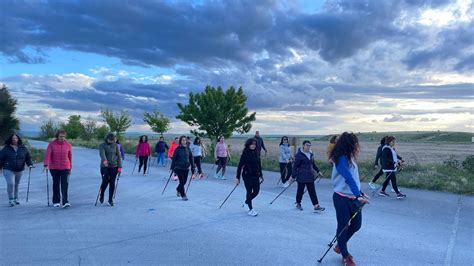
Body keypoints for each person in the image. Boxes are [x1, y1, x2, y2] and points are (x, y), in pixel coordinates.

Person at [329, 132, 370, 266]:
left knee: (356, 225)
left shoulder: (350, 158)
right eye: (354, 143)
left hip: (353, 197)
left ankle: (340, 245)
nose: (356, 146)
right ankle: (346, 256)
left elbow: (355, 180)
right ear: (349, 144)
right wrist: (359, 196)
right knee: (343, 227)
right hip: (341, 198)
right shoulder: (340, 158)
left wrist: (360, 193)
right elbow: (348, 178)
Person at [290, 140, 325, 212]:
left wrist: (318, 171)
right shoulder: (299, 155)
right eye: (307, 145)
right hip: (301, 176)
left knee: (312, 191)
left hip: (310, 176)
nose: (308, 147)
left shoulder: (311, 154)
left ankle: (316, 206)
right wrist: (293, 176)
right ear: (303, 146)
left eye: (309, 145)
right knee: (300, 191)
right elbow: (295, 166)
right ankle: (298, 203)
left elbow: (313, 164)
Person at [0, 133, 34, 206]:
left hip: (19, 169)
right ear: (10, 140)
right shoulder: (6, 148)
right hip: (8, 168)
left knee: (16, 184)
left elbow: (28, 157)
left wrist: (30, 164)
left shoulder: (23, 148)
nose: (14, 140)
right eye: (13, 138)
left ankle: (16, 198)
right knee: (10, 183)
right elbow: (1, 159)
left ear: (18, 139)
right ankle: (11, 199)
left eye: (16, 138)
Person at [44, 129, 72, 208]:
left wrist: (70, 168)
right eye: (60, 136)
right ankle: (56, 201)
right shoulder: (51, 144)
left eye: (63, 136)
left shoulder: (68, 145)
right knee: (56, 183)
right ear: (57, 136)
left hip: (65, 166)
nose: (62, 138)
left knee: (64, 184)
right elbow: (48, 155)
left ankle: (65, 201)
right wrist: (46, 164)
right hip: (54, 167)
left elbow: (70, 157)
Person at [236, 138, 263, 217]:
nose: (253, 145)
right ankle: (250, 209)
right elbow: (240, 165)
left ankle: (246, 202)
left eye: (255, 144)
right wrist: (238, 178)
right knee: (249, 191)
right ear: (248, 144)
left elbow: (259, 164)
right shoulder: (245, 153)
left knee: (256, 191)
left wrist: (261, 174)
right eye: (252, 144)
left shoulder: (257, 153)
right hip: (247, 175)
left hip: (255, 175)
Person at [99, 133, 122, 206]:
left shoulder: (115, 145)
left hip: (114, 167)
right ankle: (102, 194)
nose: (111, 141)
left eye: (113, 140)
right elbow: (102, 154)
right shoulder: (102, 145)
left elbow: (119, 156)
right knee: (105, 182)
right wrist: (104, 160)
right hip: (105, 167)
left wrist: (120, 167)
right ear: (107, 139)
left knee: (112, 182)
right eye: (110, 140)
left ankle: (110, 199)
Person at [170, 136, 195, 201]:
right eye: (182, 140)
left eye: (185, 140)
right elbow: (174, 159)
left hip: (186, 167)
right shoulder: (177, 149)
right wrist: (172, 168)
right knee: (181, 181)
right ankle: (183, 194)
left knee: (184, 182)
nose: (184, 141)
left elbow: (191, 158)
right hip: (179, 167)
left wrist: (193, 167)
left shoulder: (188, 148)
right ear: (180, 141)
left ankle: (178, 189)